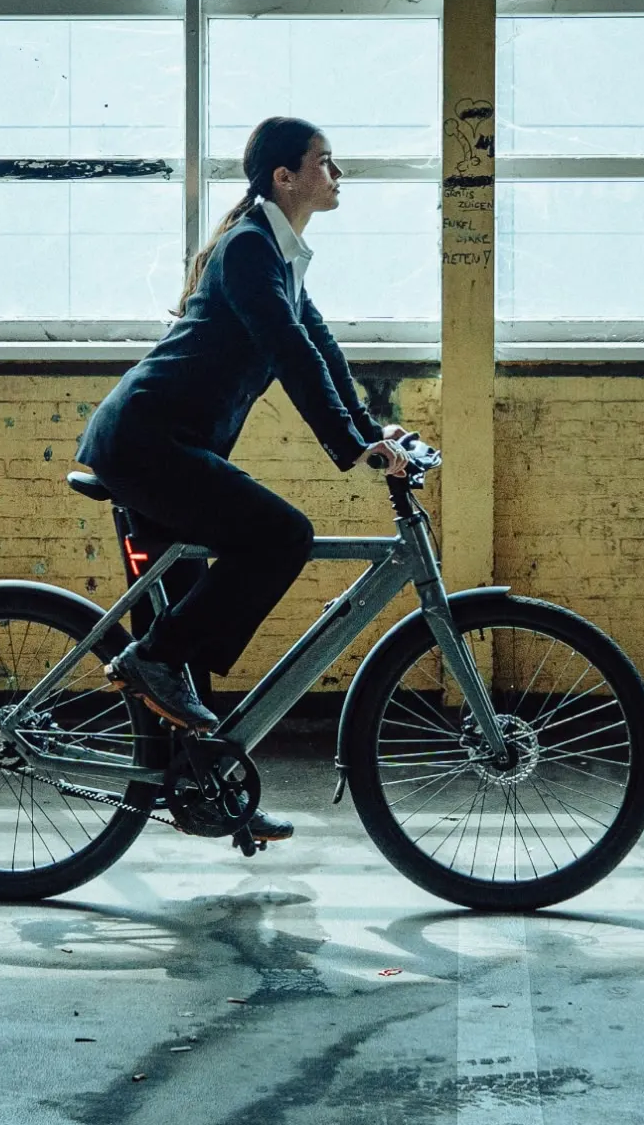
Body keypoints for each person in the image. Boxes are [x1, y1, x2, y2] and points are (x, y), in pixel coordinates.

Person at [76, 116, 414, 846]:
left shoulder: (281, 259)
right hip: (145, 444)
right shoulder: (251, 250)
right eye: (326, 162)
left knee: (187, 632)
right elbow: (289, 354)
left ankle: (204, 787)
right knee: (279, 536)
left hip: (165, 446)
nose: (337, 175)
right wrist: (350, 447)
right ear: (284, 177)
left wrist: (372, 430)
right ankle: (155, 661)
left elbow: (320, 351)